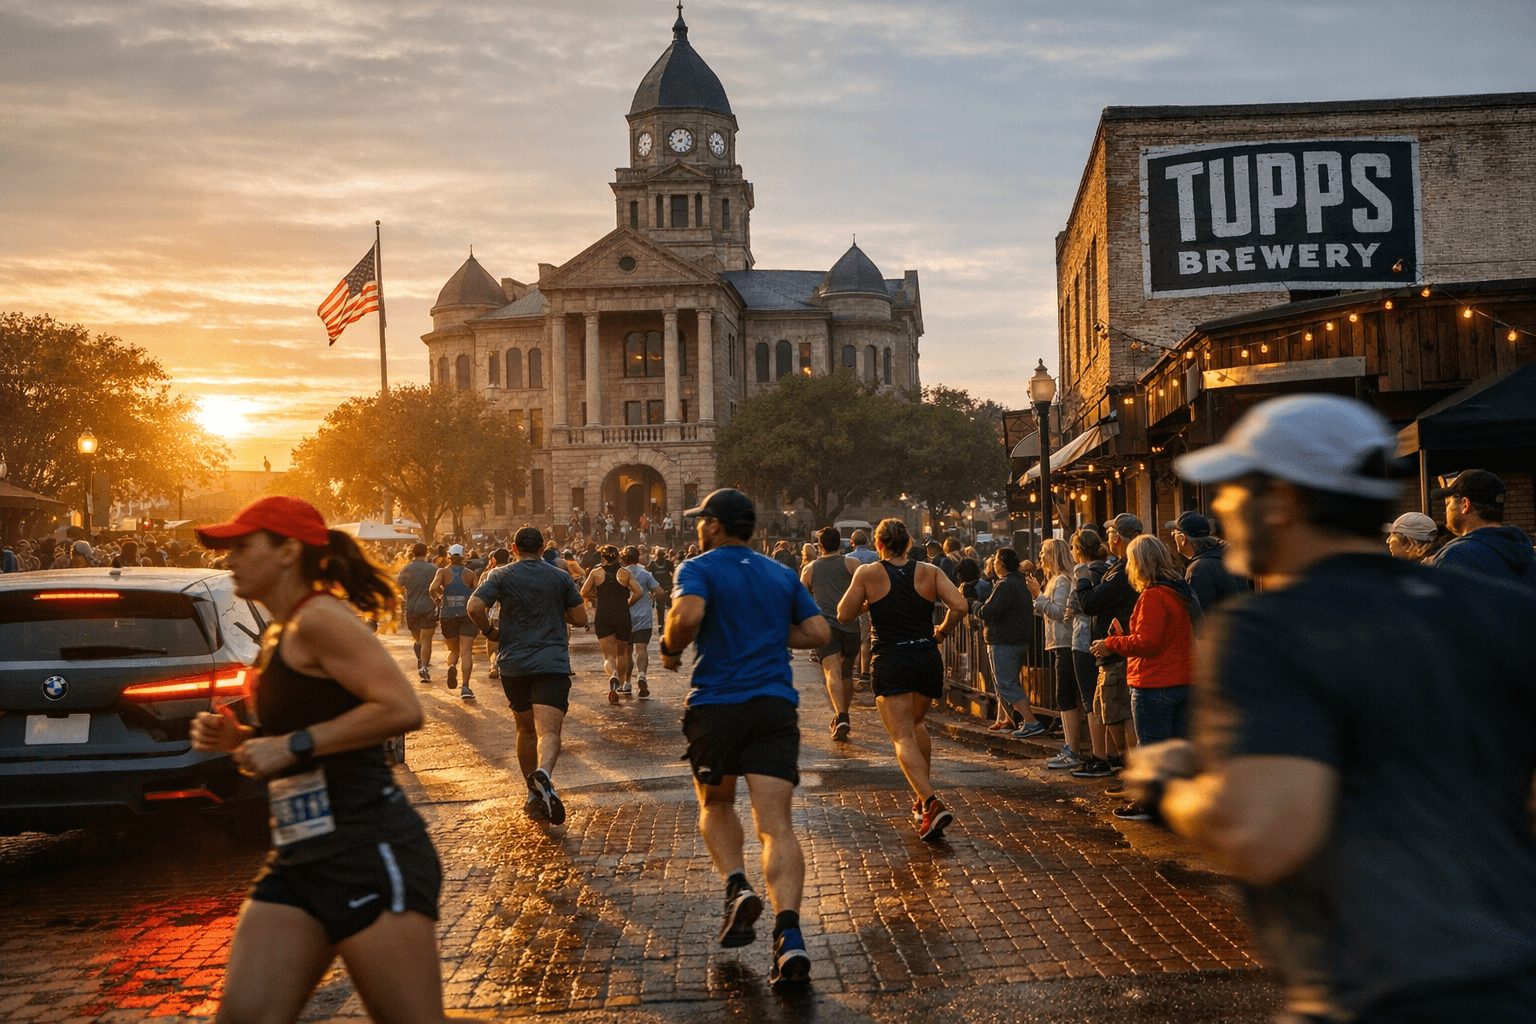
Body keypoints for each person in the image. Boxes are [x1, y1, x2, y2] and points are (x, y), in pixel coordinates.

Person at [1123, 393, 1536, 1023]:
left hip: (1380, 991)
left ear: (1281, 501)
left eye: (1233, 489)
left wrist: (1169, 787)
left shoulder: (1269, 628)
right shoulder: (1501, 610)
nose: (1223, 508)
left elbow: (1267, 834)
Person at [186, 496, 459, 1024]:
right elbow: (297, 737)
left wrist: (289, 744)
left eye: (242, 546)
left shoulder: (320, 619)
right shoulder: (278, 632)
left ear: (288, 551)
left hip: (366, 848)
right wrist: (240, 739)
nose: (228, 559)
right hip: (299, 854)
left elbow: (401, 708)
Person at [659, 488, 829, 986]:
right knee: (777, 825)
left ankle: (737, 886)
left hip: (717, 704)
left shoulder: (698, 568)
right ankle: (789, 935)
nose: (698, 526)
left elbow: (686, 617)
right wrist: (769, 632)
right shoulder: (780, 573)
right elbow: (819, 633)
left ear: (714, 525)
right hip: (774, 704)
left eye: (702, 519)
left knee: (716, 803)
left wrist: (670, 646)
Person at [838, 518, 969, 841]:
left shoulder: (867, 573)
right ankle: (922, 799)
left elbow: (843, 613)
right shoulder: (930, 571)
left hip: (891, 659)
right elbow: (960, 605)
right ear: (908, 543)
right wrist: (942, 632)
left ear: (879, 544)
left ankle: (930, 802)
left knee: (901, 737)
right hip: (926, 656)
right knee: (917, 724)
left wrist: (869, 604)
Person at [468, 527, 587, 826]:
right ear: (543, 548)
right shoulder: (561, 577)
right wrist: (558, 609)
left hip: (514, 663)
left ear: (514, 547)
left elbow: (474, 607)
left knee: (525, 730)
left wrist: (489, 631)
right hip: (551, 662)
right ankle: (543, 773)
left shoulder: (500, 575)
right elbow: (580, 618)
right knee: (549, 732)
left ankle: (533, 796)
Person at [1091, 534, 1197, 821]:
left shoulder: (1152, 596)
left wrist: (1111, 643)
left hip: (1154, 682)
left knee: (1152, 750)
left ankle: (1149, 805)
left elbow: (1148, 643)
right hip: (1181, 679)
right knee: (1174, 749)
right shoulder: (1176, 592)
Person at [1074, 513, 1143, 780]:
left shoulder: (1125, 570)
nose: (1109, 537)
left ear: (1120, 538)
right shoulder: (1119, 566)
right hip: (1111, 650)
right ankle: (1125, 768)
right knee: (1110, 713)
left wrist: (1082, 579)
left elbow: (1090, 602)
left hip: (1118, 652)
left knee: (1121, 714)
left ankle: (1132, 773)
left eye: (1112, 532)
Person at [801, 527, 863, 742]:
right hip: (851, 625)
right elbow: (866, 589)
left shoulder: (810, 568)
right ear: (841, 544)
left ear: (820, 546)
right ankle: (842, 715)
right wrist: (859, 609)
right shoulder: (852, 564)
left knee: (831, 672)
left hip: (825, 627)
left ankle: (841, 715)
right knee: (846, 673)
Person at [977, 548, 1048, 737]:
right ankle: (1007, 719)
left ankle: (1031, 722)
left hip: (1003, 639)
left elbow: (991, 611)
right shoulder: (1019, 581)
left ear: (1001, 563)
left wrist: (975, 607)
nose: (993, 564)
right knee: (1006, 682)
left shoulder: (1006, 584)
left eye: (995, 561)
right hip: (1017, 639)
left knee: (1006, 683)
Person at [1027, 538, 1085, 770]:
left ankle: (1072, 750)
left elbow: (1061, 613)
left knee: (1065, 696)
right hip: (1061, 643)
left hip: (1064, 644)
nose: (1040, 556)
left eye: (1043, 552)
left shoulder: (1061, 581)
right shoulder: (1057, 579)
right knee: (1070, 696)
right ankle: (1072, 747)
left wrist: (1038, 595)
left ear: (1053, 555)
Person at [1428, 469, 1536, 585]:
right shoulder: (1526, 552)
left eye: (1448, 502)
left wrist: (1429, 573)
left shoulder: (1455, 557)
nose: (1446, 511)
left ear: (1465, 504)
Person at [1065, 529, 1113, 775]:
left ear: (1079, 550)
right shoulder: (1109, 569)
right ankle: (1112, 753)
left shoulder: (1082, 572)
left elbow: (1075, 605)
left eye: (1073, 548)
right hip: (1105, 638)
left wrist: (1071, 609)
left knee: (1090, 699)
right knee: (1106, 697)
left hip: (1084, 640)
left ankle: (1098, 756)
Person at [581, 545, 642, 703]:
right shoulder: (625, 572)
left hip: (603, 614)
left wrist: (594, 595)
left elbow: (583, 591)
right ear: (618, 557)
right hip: (622, 614)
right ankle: (620, 684)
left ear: (602, 557)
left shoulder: (596, 573)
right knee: (621, 654)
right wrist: (628, 603)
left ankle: (612, 675)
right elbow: (639, 592)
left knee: (609, 656)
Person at [1164, 511, 1248, 612]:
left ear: (1183, 539)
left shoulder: (1198, 570)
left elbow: (1197, 614)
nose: (1173, 537)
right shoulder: (1230, 560)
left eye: (1173, 534)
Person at [429, 545, 479, 700]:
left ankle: (451, 666)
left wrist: (438, 598)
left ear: (449, 556)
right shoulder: (470, 574)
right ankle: (465, 687)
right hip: (467, 616)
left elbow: (432, 588)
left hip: (448, 615)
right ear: (463, 557)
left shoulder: (442, 572)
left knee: (453, 649)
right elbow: (478, 593)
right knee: (466, 652)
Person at [620, 545, 664, 697]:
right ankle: (642, 676)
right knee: (641, 650)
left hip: (625, 616)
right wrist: (652, 596)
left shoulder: (620, 574)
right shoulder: (646, 574)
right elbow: (660, 592)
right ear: (638, 557)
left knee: (627, 652)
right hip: (644, 617)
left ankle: (627, 683)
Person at [396, 543, 440, 684]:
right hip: (428, 607)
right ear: (426, 553)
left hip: (412, 608)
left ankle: (420, 660)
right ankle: (424, 668)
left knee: (417, 639)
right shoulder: (433, 569)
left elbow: (398, 586)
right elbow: (439, 587)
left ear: (412, 553)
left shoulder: (406, 568)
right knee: (426, 639)